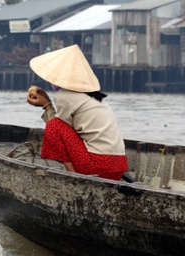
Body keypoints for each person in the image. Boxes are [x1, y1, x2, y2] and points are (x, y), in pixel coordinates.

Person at [26, 44, 128, 180]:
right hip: (118, 167)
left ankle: (73, 177)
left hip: (99, 166)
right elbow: (69, 130)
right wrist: (48, 103)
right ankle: (75, 174)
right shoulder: (94, 96)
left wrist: (47, 106)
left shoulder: (65, 96)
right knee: (58, 126)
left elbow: (57, 130)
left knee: (53, 126)